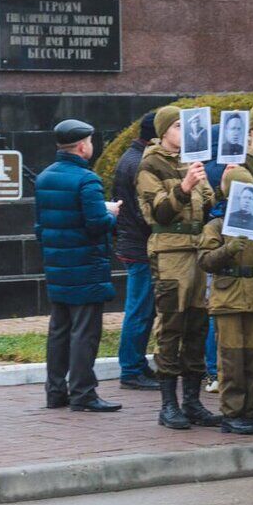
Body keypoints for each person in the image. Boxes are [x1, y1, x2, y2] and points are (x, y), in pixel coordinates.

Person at [137, 106, 221, 430]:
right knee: (172, 324)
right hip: (171, 252)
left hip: (198, 250)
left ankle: (193, 401)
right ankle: (168, 404)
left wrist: (219, 184)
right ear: (162, 131)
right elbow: (159, 212)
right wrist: (184, 187)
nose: (182, 132)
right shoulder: (151, 164)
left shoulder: (191, 162)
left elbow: (209, 206)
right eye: (176, 126)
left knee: (198, 324)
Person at [36, 119, 122, 413]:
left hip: (57, 264)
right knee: (85, 331)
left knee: (59, 330)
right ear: (83, 146)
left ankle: (56, 391)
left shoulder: (45, 177)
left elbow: (40, 226)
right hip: (86, 266)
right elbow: (97, 224)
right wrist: (112, 213)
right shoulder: (88, 180)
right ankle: (83, 393)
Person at [197, 169, 253, 435]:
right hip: (228, 298)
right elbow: (205, 260)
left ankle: (250, 409)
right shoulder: (217, 225)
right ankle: (232, 412)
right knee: (231, 359)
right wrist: (228, 249)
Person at [113, 112, 159, 391]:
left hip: (133, 242)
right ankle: (130, 368)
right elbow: (145, 211)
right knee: (140, 309)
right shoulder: (140, 162)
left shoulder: (132, 157)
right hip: (140, 246)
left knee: (144, 308)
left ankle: (136, 364)